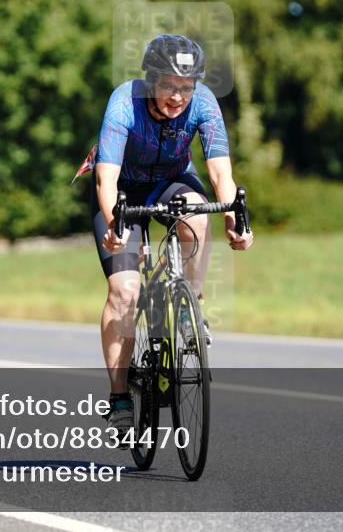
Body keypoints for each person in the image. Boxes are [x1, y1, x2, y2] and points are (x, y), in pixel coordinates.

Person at [87, 34, 253, 437]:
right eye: (168, 86)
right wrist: (115, 226)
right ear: (151, 81)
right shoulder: (125, 102)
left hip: (171, 181)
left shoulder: (204, 103)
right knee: (124, 292)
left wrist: (235, 219)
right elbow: (105, 179)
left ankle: (188, 304)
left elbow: (220, 171)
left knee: (198, 216)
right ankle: (120, 397)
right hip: (122, 192)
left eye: (186, 87)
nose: (177, 97)